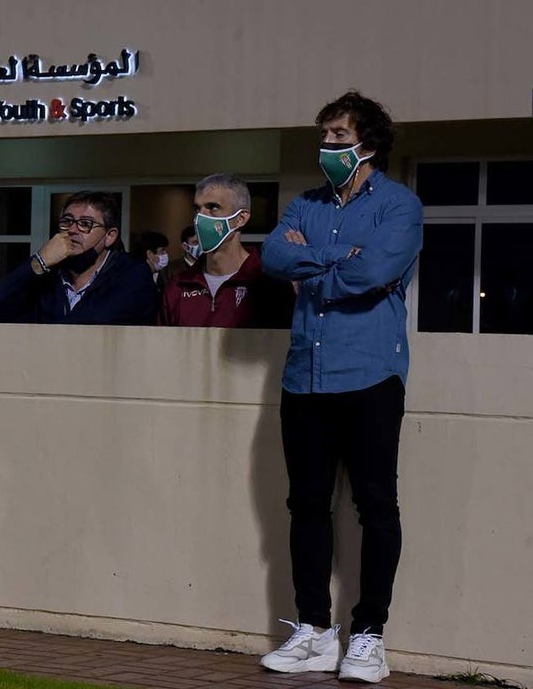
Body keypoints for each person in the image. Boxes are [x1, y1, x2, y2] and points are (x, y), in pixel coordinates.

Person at [259, 90, 423, 683]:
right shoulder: (304, 205)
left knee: (376, 504)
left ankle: (369, 636)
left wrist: (319, 271)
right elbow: (275, 258)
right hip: (306, 375)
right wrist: (338, 256)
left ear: (368, 144)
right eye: (324, 136)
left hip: (371, 374)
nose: (326, 146)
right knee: (306, 503)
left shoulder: (399, 206)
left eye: (337, 136)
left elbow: (376, 270)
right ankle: (314, 631)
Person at [0, 191, 157, 325]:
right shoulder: (47, 275)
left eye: (85, 224)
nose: (72, 230)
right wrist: (38, 263)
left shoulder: (133, 274)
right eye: (67, 222)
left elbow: (97, 322)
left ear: (109, 236)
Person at [160, 174, 292, 328]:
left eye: (213, 207)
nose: (200, 218)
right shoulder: (178, 286)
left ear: (241, 218)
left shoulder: (270, 284)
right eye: (197, 209)